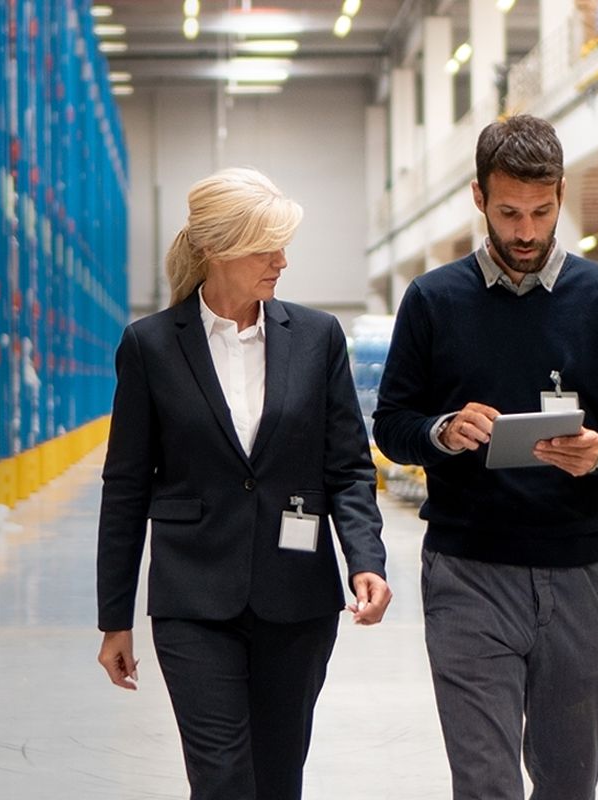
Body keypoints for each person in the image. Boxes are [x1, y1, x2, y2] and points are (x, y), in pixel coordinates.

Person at [372, 115, 598, 800]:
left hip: (578, 572)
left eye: (541, 211)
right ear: (479, 198)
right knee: (485, 782)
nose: (527, 232)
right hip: (468, 573)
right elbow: (393, 424)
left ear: (562, 194)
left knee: (570, 781)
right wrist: (443, 431)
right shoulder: (432, 301)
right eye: (509, 213)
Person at [94, 167, 391, 800]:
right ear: (215, 249)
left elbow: (348, 467)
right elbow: (124, 487)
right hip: (193, 600)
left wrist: (366, 559)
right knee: (223, 779)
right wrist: (113, 618)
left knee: (279, 780)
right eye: (265, 246)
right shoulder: (149, 346)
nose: (282, 261)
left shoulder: (316, 338)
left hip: (297, 600)